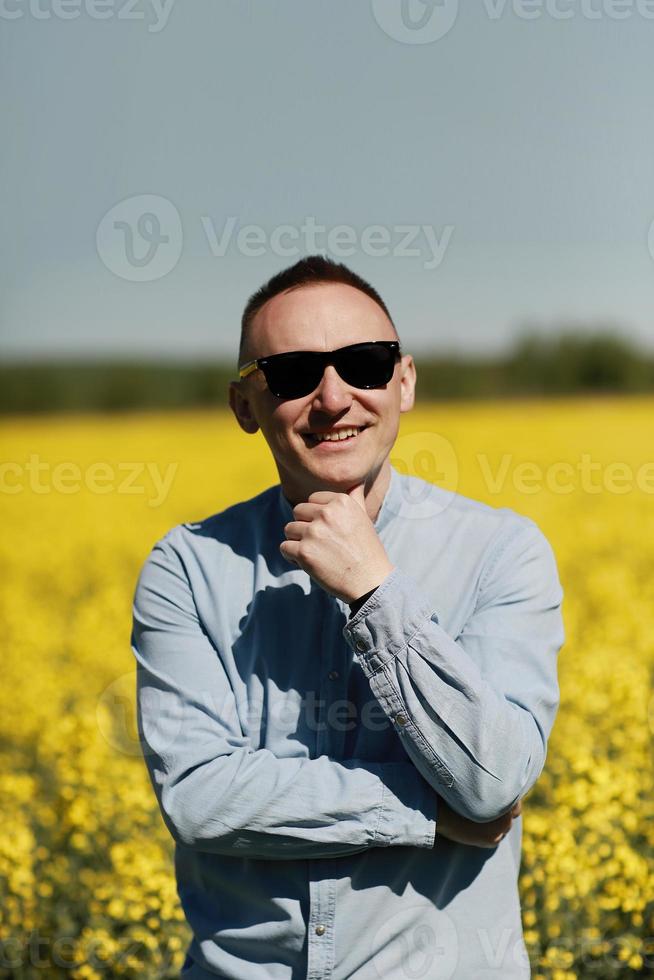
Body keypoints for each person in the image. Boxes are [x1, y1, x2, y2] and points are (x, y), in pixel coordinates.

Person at [130, 254, 564, 980]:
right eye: (294, 375)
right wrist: (423, 814)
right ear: (244, 406)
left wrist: (374, 592)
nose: (334, 399)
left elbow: (491, 782)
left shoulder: (501, 551)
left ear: (405, 381)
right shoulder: (188, 567)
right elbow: (199, 795)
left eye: (364, 363)